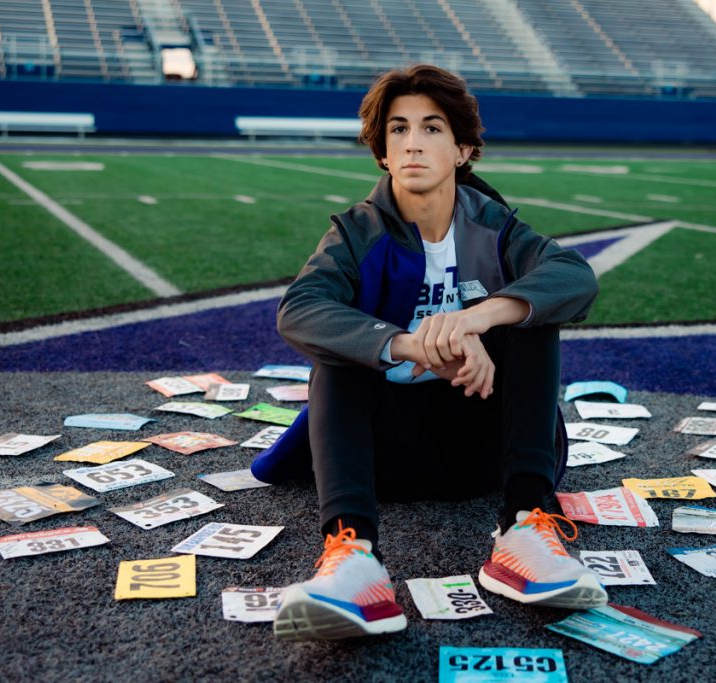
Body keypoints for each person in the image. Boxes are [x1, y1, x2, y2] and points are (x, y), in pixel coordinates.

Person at [257, 64, 605, 641]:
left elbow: (573, 277)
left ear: (464, 148)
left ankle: (523, 530)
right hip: (383, 454)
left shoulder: (495, 226)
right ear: (382, 152)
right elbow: (299, 310)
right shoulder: (355, 232)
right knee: (340, 352)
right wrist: (407, 345)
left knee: (531, 314)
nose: (413, 142)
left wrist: (475, 318)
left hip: (481, 447)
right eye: (397, 130)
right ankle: (353, 560)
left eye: (432, 128)